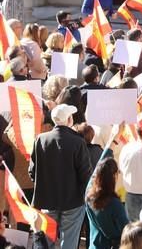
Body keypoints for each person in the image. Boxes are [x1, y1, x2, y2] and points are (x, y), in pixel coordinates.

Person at [29, 104, 92, 249]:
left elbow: (32, 171)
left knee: (46, 242)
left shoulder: (40, 139)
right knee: (69, 241)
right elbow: (85, 174)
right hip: (73, 201)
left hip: (47, 200)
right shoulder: (78, 142)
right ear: (69, 119)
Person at [85, 152, 129, 249]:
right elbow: (125, 230)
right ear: (113, 176)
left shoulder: (89, 197)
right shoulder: (115, 204)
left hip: (94, 245)